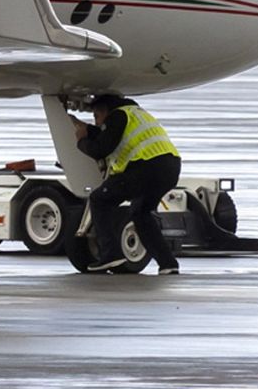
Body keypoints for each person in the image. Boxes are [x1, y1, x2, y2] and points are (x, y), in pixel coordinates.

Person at [72, 93, 182, 275]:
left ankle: (111, 255)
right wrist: (91, 130)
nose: (97, 122)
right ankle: (168, 264)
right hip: (170, 168)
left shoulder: (118, 115)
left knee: (99, 199)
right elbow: (109, 135)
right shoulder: (136, 114)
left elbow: (101, 149)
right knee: (140, 212)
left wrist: (82, 140)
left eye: (96, 117)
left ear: (104, 110)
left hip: (145, 167)